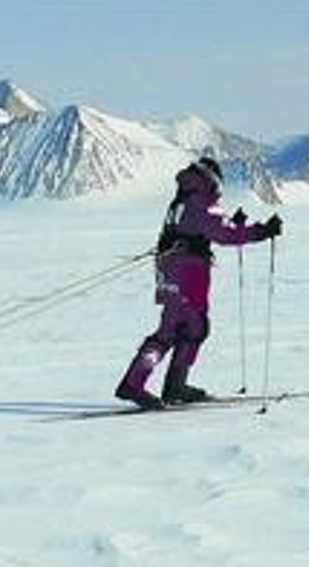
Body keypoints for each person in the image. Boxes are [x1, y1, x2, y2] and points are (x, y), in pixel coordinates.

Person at [115, 157, 282, 409]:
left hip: (171, 268)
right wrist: (261, 231)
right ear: (211, 180)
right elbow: (222, 233)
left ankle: (172, 385)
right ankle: (138, 385)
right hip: (188, 272)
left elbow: (204, 228)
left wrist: (233, 224)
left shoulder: (183, 198)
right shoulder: (200, 199)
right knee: (184, 329)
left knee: (183, 328)